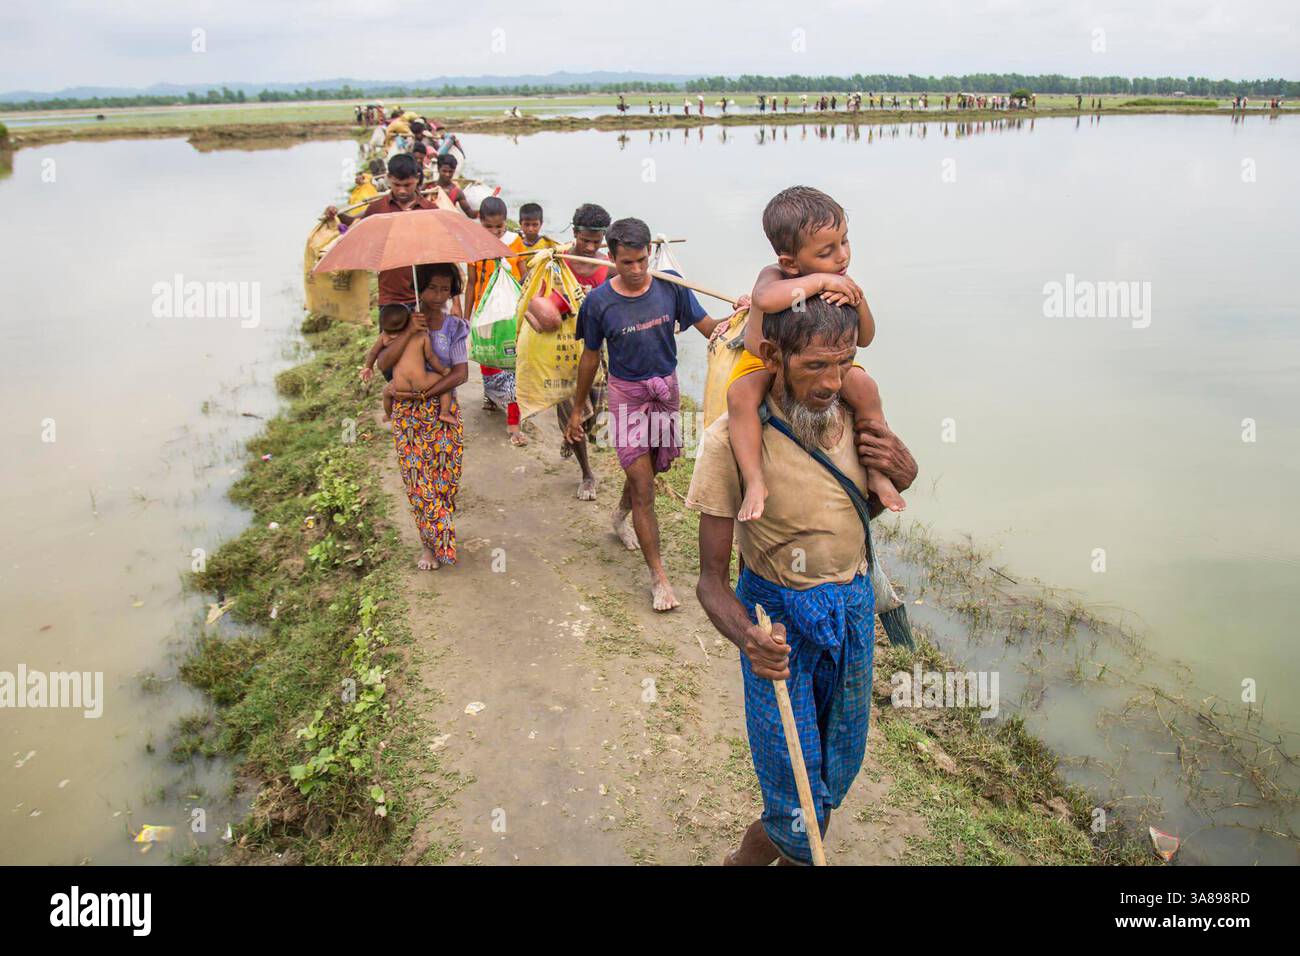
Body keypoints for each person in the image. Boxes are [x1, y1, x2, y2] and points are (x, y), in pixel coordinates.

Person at [689, 297, 918, 865]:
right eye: (815, 366)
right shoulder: (729, 442)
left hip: (854, 613)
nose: (831, 382)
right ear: (773, 354)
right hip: (778, 630)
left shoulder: (855, 420)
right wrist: (751, 639)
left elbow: (858, 514)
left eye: (842, 363)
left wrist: (903, 474)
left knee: (833, 774)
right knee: (794, 794)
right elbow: (711, 583)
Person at [565, 218, 737, 612]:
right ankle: (659, 579)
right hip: (626, 397)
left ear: (649, 254)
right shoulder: (598, 304)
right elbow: (590, 357)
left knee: (653, 472)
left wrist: (743, 316)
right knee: (644, 486)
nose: (637, 269)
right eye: (627, 262)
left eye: (642, 260)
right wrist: (578, 408)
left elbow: (710, 328)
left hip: (666, 392)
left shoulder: (670, 284)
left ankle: (619, 516)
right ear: (612, 258)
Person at [726, 186, 902, 524]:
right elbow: (766, 300)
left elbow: (864, 338)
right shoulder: (775, 276)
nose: (842, 257)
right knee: (740, 396)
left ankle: (878, 473)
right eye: (827, 251)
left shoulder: (841, 280)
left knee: (865, 387)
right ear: (790, 262)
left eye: (844, 242)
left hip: (825, 358)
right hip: (769, 359)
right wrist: (820, 282)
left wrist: (856, 297)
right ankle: (755, 480)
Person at [375, 264, 470, 571]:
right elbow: (383, 364)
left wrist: (427, 395)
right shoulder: (400, 320)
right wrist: (409, 334)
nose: (438, 296)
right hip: (406, 414)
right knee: (418, 480)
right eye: (432, 288)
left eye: (445, 289)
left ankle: (439, 534)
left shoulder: (455, 327)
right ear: (420, 288)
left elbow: (460, 373)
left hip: (442, 412)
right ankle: (430, 544)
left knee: (445, 480)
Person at [323, 153, 434, 309]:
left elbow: (446, 255)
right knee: (391, 333)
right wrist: (336, 214)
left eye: (407, 185)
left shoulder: (429, 210)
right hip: (391, 295)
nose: (402, 191)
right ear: (388, 178)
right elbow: (355, 225)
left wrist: (455, 300)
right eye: (396, 185)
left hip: (426, 295)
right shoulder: (378, 208)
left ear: (417, 178)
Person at [466, 196, 526, 445]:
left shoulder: (515, 243)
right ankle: (490, 396)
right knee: (488, 357)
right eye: (488, 227)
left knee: (512, 366)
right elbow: (471, 282)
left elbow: (525, 277)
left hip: (510, 315)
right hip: (485, 313)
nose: (494, 232)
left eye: (499, 227)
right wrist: (465, 316)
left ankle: (514, 424)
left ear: (505, 223)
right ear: (480, 223)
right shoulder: (473, 245)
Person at [372, 304, 457, 425]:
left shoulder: (386, 337)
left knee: (386, 392)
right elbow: (431, 357)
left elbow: (373, 353)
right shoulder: (422, 336)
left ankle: (387, 414)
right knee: (446, 383)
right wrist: (443, 371)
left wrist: (368, 367)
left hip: (399, 385)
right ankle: (444, 412)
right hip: (421, 382)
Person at [432, 154, 477, 218]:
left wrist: (483, 211)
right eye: (444, 171)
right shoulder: (428, 187)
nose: (447, 174)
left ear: (454, 171)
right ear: (438, 169)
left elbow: (470, 213)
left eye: (450, 172)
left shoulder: (457, 192)